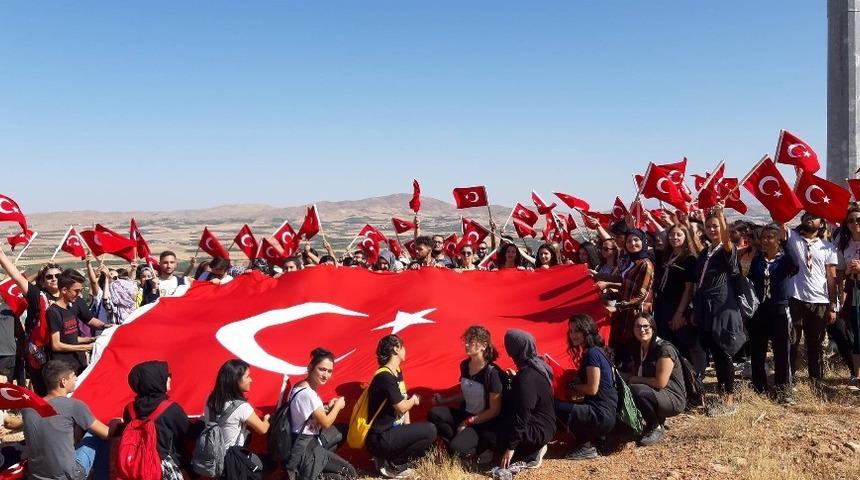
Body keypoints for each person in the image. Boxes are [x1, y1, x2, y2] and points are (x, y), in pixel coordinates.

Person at [22, 360, 120, 480]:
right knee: (96, 436)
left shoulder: (28, 408)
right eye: (73, 376)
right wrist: (116, 422)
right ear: (63, 381)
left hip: (37, 475)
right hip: (69, 476)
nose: (76, 379)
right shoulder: (73, 405)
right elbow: (106, 434)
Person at [785, 212, 847, 386]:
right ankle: (788, 382)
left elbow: (831, 278)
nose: (809, 219)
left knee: (815, 344)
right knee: (792, 343)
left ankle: (816, 381)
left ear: (821, 224)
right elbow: (780, 224)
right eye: (806, 216)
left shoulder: (828, 247)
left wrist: (832, 306)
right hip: (795, 299)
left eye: (814, 217)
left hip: (819, 301)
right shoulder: (792, 239)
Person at [693, 204, 742, 416]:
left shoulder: (725, 250)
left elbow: (726, 240)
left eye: (716, 226)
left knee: (723, 352)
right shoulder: (705, 252)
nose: (712, 230)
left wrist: (721, 216)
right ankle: (719, 394)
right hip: (705, 306)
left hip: (722, 306)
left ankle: (728, 399)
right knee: (712, 349)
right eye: (709, 226)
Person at [365, 335, 436, 479]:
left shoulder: (397, 372)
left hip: (393, 431)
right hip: (380, 437)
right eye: (403, 347)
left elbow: (402, 398)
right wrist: (414, 400)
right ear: (396, 349)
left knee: (427, 444)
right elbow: (402, 407)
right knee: (430, 430)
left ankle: (392, 460)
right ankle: (392, 464)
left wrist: (407, 430)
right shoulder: (385, 377)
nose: (405, 350)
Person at [429, 326, 503, 462]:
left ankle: (480, 448)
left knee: (457, 449)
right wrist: (443, 401)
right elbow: (465, 394)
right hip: (465, 414)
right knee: (435, 413)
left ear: (483, 346)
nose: (467, 345)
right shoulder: (464, 365)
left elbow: (494, 411)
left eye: (471, 342)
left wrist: (467, 422)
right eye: (466, 341)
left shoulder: (492, 373)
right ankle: (456, 441)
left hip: (482, 422)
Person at [285, 348, 357, 480]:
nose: (326, 375)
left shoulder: (300, 386)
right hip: (305, 448)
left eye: (329, 371)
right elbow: (326, 422)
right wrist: (338, 407)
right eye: (322, 369)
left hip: (306, 441)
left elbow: (308, 414)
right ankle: (313, 473)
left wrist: (327, 407)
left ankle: (317, 468)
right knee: (350, 473)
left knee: (342, 430)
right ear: (311, 367)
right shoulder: (308, 394)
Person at [747, 223, 798, 402]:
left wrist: (787, 241)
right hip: (760, 311)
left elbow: (795, 263)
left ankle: (783, 390)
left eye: (770, 237)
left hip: (780, 309)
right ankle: (759, 388)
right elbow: (751, 279)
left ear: (778, 240)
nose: (766, 241)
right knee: (758, 351)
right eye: (764, 237)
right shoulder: (758, 260)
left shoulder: (784, 260)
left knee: (782, 351)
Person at [554, 315, 617, 460]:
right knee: (570, 405)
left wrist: (574, 386)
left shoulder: (592, 354)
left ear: (587, 331)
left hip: (601, 415)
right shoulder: (598, 350)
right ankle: (594, 440)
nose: (573, 335)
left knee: (554, 405)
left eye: (577, 331)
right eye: (570, 331)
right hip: (606, 413)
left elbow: (592, 389)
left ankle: (586, 446)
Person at [624, 314, 686, 446]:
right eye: (638, 326)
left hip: (672, 396)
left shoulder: (664, 349)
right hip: (655, 393)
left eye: (646, 326)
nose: (642, 330)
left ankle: (655, 426)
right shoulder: (639, 347)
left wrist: (635, 379)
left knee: (636, 389)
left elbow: (660, 383)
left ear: (653, 328)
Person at [653, 224, 706, 379]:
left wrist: (679, 313)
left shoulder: (689, 259)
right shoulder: (666, 256)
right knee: (668, 344)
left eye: (678, 235)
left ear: (685, 237)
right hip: (664, 305)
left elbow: (688, 289)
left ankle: (695, 382)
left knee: (686, 345)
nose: (674, 238)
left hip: (680, 307)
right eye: (672, 235)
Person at [498, 329, 554, 470]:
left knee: (496, 435)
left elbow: (522, 415)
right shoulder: (538, 365)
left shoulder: (526, 378)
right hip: (546, 425)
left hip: (538, 431)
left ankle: (533, 451)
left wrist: (510, 448)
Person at [124, 361, 192, 475]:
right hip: (165, 470)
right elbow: (189, 434)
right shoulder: (171, 409)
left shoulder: (129, 410)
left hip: (136, 469)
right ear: (155, 380)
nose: (170, 378)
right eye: (167, 376)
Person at [597, 229, 655, 358]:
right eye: (629, 240)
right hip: (624, 311)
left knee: (633, 349)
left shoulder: (646, 264)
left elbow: (641, 296)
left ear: (643, 242)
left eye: (636, 240)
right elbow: (625, 285)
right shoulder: (631, 261)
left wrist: (617, 306)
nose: (632, 243)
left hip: (636, 313)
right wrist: (598, 277)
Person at [46, 270, 109, 374]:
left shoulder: (71, 307)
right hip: (64, 367)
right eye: (76, 291)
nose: (79, 294)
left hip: (79, 363)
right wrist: (86, 347)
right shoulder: (53, 312)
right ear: (64, 290)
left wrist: (92, 339)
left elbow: (70, 338)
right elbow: (56, 345)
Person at [203, 359, 270, 455]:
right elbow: (262, 429)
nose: (251, 380)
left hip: (211, 456)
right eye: (247, 377)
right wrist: (267, 420)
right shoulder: (242, 407)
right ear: (235, 381)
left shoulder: (210, 397)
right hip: (230, 461)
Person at [837, 206, 860, 385]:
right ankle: (857, 374)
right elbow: (839, 273)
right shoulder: (844, 244)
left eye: (858, 220)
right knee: (855, 331)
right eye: (851, 220)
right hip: (853, 290)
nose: (855, 223)